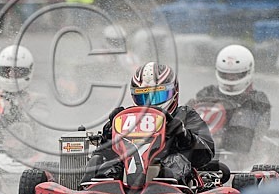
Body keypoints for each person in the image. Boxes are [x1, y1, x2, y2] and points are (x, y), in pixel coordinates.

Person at [81, 62, 215, 186]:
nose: (151, 103)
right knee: (99, 161)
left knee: (176, 160)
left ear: (174, 92)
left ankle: (166, 187)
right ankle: (96, 191)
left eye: (157, 96)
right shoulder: (128, 118)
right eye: (144, 97)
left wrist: (182, 135)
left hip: (169, 179)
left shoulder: (185, 115)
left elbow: (205, 155)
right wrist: (110, 131)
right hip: (127, 172)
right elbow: (106, 153)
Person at [187, 44, 271, 154]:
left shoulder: (257, 100)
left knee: (241, 117)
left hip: (239, 155)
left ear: (248, 72)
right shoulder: (207, 93)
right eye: (225, 75)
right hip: (201, 148)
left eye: (235, 75)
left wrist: (221, 139)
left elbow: (247, 136)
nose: (230, 79)